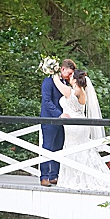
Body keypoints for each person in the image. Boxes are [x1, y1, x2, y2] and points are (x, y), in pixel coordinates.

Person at [52, 69, 110, 191]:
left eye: (71, 76)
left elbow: (58, 84)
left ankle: (75, 179)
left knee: (74, 150)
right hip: (78, 125)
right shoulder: (81, 92)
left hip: (75, 126)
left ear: (75, 79)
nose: (69, 77)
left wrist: (52, 71)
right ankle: (80, 177)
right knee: (80, 151)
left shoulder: (72, 91)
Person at [39, 58, 76, 187]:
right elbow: (47, 101)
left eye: (72, 74)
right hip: (49, 119)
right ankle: (44, 177)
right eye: (69, 73)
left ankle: (54, 175)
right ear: (62, 69)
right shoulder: (48, 81)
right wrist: (59, 114)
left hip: (63, 120)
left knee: (58, 148)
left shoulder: (67, 84)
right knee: (47, 147)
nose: (70, 76)